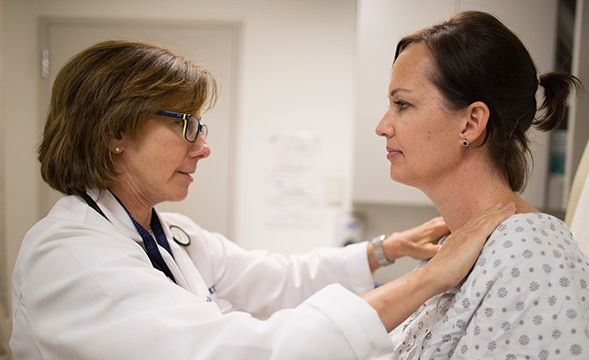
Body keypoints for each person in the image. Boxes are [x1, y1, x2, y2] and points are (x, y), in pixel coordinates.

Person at [10, 40, 515, 359]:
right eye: (185, 124)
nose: (203, 145)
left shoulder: (168, 233)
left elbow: (279, 279)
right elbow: (234, 352)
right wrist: (429, 278)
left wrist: (389, 249)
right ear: (115, 131)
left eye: (200, 125)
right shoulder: (70, 256)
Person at [377, 11, 589, 359]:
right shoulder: (455, 251)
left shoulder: (536, 259)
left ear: (471, 123)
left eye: (402, 104)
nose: (383, 126)